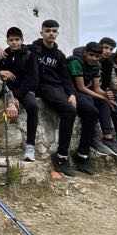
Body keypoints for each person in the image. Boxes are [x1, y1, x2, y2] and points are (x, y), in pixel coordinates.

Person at [30, 19, 80, 177]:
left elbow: (66, 77)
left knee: (74, 109)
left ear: (57, 33)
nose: (51, 33)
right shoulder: (33, 50)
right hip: (42, 87)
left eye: (54, 31)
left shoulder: (59, 55)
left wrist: (71, 93)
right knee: (69, 112)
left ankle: (67, 155)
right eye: (47, 30)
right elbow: (14, 51)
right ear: (42, 33)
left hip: (57, 87)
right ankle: (61, 157)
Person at [0, 27, 40, 161]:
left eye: (17, 40)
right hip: (7, 90)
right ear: (7, 41)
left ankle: (30, 146)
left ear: (22, 40)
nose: (14, 42)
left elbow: (32, 79)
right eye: (11, 40)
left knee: (33, 107)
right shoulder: (5, 54)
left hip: (24, 90)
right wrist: (1, 71)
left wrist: (16, 96)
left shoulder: (29, 55)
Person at [64, 43, 108, 174]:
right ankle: (83, 154)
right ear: (85, 53)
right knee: (91, 112)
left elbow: (96, 88)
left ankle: (107, 137)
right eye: (91, 55)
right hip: (70, 90)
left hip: (84, 92)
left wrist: (107, 95)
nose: (94, 58)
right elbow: (81, 87)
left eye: (97, 56)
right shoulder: (75, 61)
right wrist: (102, 97)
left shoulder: (96, 65)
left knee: (106, 103)